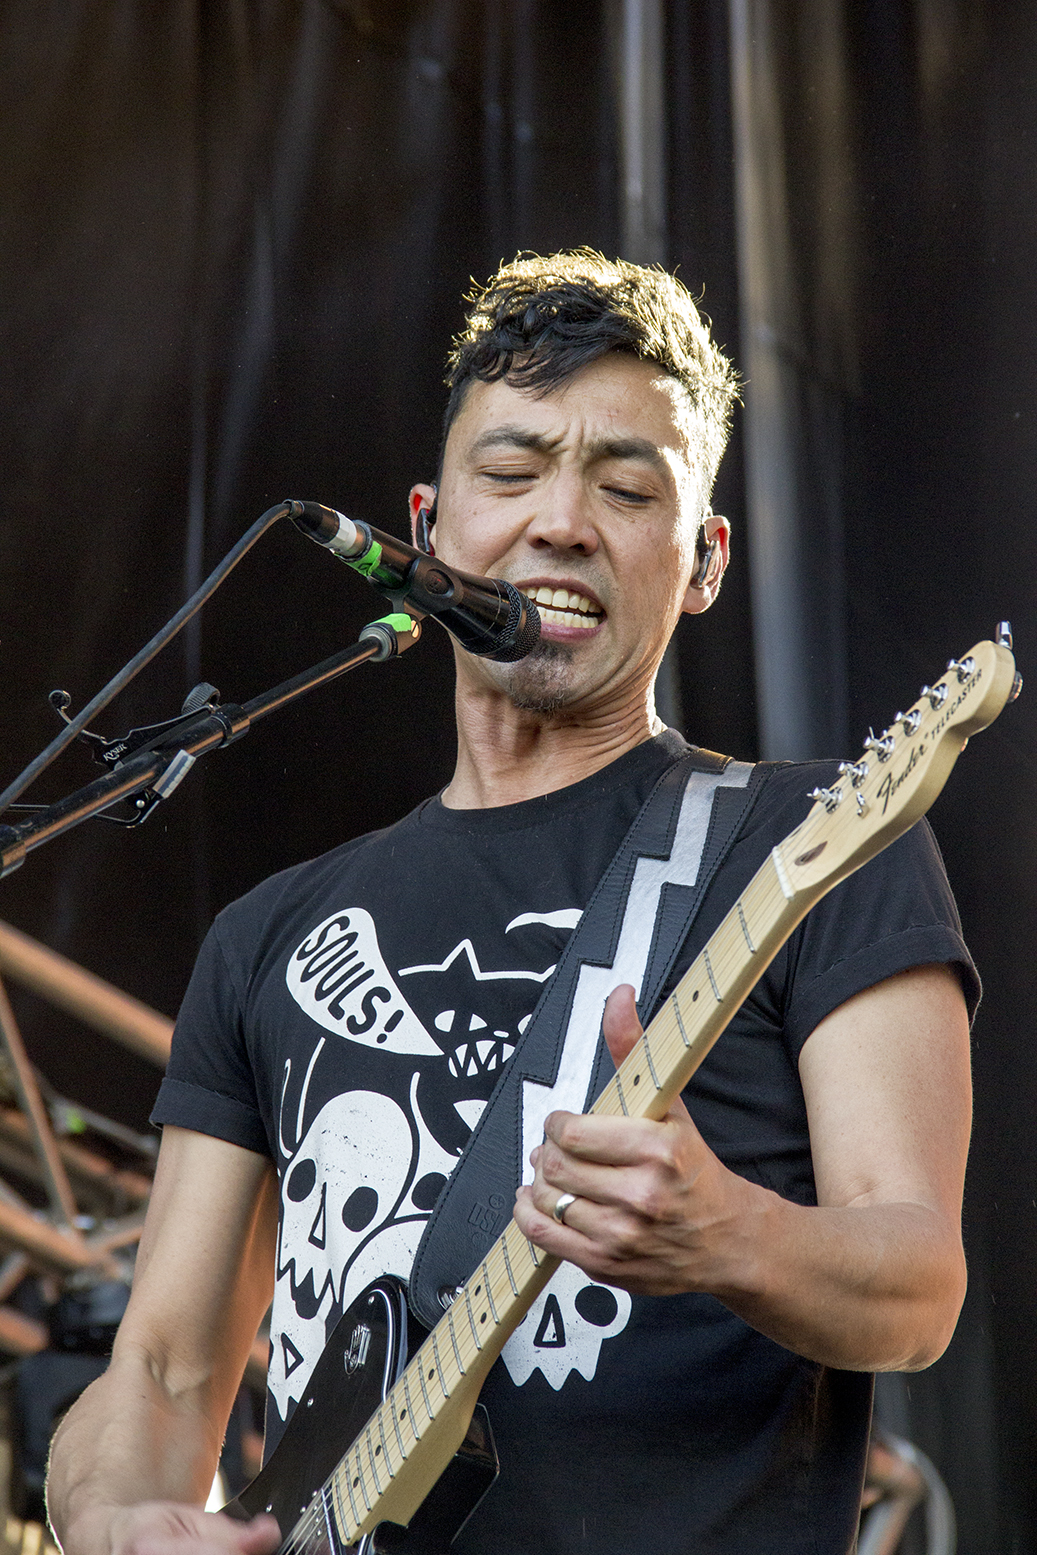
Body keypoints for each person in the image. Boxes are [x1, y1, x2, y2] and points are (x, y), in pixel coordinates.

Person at [46, 251, 976, 1555]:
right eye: (511, 469)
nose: (561, 521)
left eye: (627, 487)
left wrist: (731, 1237)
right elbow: (162, 1367)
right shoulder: (268, 934)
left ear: (702, 560)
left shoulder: (812, 842)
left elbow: (917, 1289)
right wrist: (113, 1522)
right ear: (425, 529)